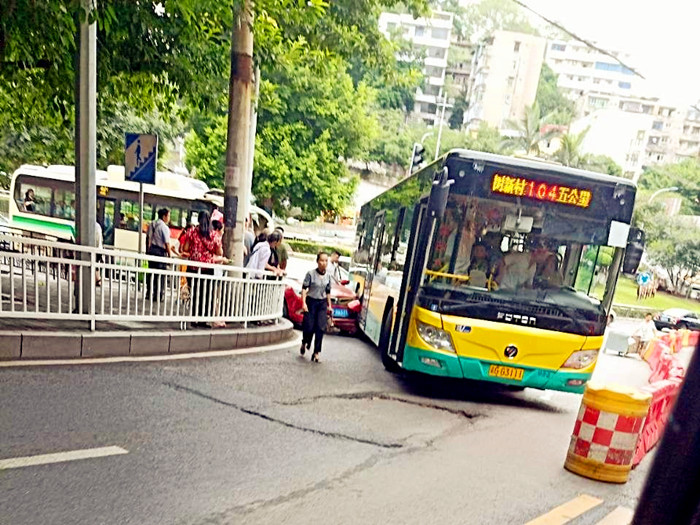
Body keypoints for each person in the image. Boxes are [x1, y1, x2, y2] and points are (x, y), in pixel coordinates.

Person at [179, 210, 223, 327]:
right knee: (207, 294)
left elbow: (186, 248)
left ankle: (194, 318)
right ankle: (203, 319)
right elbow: (219, 252)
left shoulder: (192, 232)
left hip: (193, 267)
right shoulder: (214, 235)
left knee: (194, 293)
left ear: (198, 219)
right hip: (207, 268)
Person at [300, 252, 333, 363]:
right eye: (322, 260)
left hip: (322, 303)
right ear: (317, 261)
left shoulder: (328, 276)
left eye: (326, 261)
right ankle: (304, 342)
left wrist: (329, 305)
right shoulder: (310, 274)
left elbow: (328, 291)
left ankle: (316, 352)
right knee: (309, 326)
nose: (324, 263)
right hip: (311, 302)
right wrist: (303, 303)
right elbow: (304, 288)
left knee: (320, 327)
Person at [146, 208, 173, 300]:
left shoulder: (152, 224)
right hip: (160, 252)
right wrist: (170, 256)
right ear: (164, 216)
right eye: (168, 216)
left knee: (151, 273)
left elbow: (148, 238)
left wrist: (148, 251)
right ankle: (158, 295)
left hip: (152, 251)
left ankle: (149, 292)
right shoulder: (164, 227)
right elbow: (167, 243)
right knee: (160, 275)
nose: (169, 218)